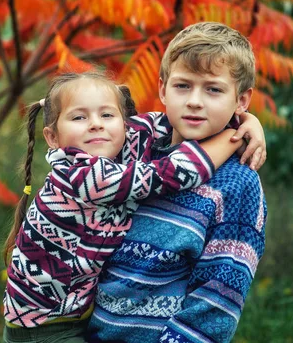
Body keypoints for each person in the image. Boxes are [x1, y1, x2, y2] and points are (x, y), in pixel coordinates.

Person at [1, 68, 266, 343]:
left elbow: (167, 122)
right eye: (79, 117)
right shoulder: (81, 177)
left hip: (73, 318)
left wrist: (248, 119)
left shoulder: (119, 147)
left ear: (124, 123)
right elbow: (173, 172)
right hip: (44, 329)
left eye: (107, 115)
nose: (96, 124)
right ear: (53, 138)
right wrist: (233, 135)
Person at [88, 22, 268, 343]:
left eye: (213, 89)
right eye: (183, 86)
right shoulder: (134, 148)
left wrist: (246, 121)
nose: (195, 101)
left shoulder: (238, 183)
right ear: (162, 90)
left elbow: (216, 302)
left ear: (242, 100)